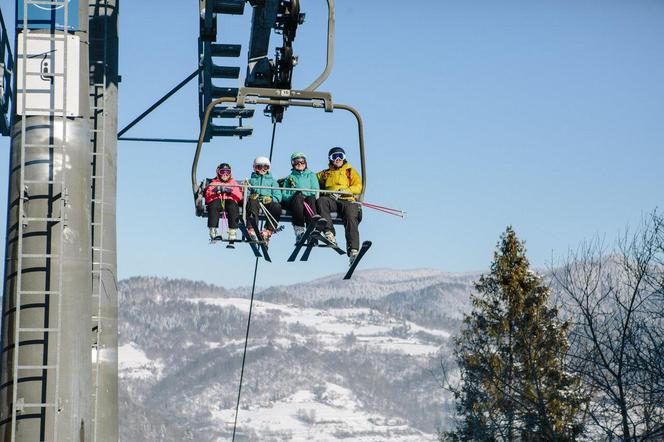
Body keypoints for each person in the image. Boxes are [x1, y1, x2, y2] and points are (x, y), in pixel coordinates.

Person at [316, 147, 363, 264]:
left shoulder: (350, 171)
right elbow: (310, 179)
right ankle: (329, 233)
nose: (337, 159)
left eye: (340, 156)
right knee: (321, 201)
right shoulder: (325, 174)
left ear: (344, 158)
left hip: (346, 200)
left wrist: (345, 190)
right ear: (330, 159)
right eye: (334, 157)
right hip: (331, 200)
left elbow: (358, 186)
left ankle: (353, 250)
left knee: (351, 215)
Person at [282, 152, 320, 241]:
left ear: (305, 162)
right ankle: (299, 230)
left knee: (311, 198)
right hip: (296, 202)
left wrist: (306, 194)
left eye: (302, 161)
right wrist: (293, 195)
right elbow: (284, 194)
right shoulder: (290, 178)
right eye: (296, 162)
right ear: (293, 163)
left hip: (308, 200)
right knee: (298, 198)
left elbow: (315, 190)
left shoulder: (311, 175)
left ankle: (312, 229)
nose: (299, 164)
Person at [247, 156, 282, 242]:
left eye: (265, 167)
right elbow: (244, 194)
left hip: (268, 202)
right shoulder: (250, 181)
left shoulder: (273, 182)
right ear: (255, 168)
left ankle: (268, 230)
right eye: (259, 167)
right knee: (252, 202)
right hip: (256, 202)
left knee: (276, 206)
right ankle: (252, 228)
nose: (262, 169)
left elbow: (278, 196)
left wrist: (271, 198)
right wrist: (249, 196)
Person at [204, 163, 243, 241]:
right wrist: (215, 191)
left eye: (227, 172)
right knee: (213, 206)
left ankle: (232, 231)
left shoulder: (233, 183)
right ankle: (213, 229)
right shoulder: (214, 183)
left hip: (229, 201)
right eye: (222, 172)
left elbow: (239, 196)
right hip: (217, 200)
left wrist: (230, 191)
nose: (225, 174)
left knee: (233, 206)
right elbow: (208, 196)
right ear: (218, 172)